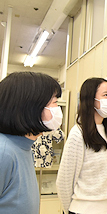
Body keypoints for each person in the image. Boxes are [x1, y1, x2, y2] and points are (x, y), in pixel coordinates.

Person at [0, 72, 62, 214]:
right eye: (54, 102)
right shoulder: (4, 153)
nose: (57, 109)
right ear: (31, 106)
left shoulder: (24, 147)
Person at [56, 78, 107, 214]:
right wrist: (71, 210)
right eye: (106, 95)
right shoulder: (78, 134)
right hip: (86, 210)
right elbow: (64, 181)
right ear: (91, 100)